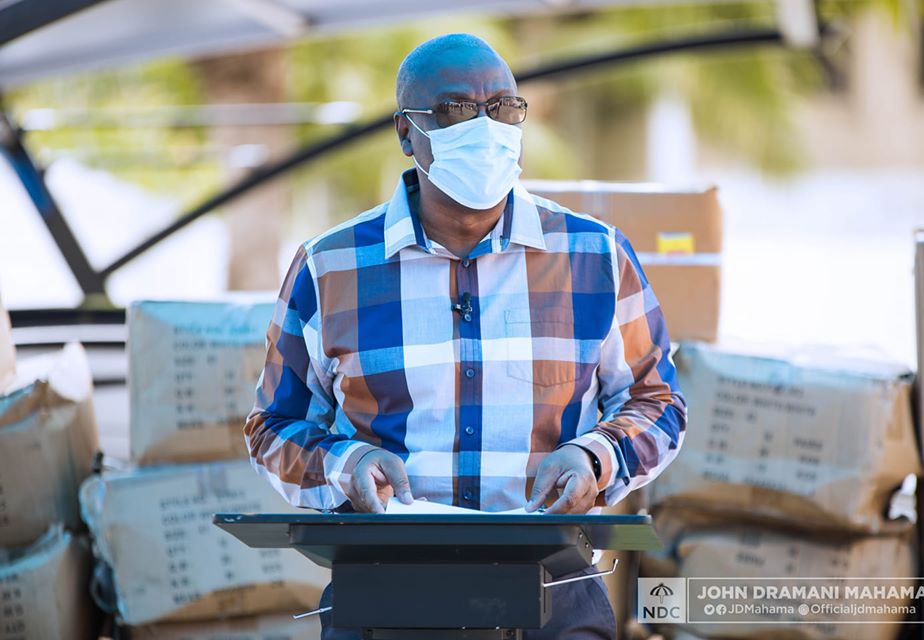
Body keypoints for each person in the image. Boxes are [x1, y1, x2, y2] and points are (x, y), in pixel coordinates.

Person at [245, 33, 686, 640]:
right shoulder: (330, 267)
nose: (486, 127)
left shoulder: (595, 255)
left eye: (503, 106)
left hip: (552, 591)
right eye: (454, 110)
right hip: (386, 592)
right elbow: (272, 425)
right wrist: (345, 464)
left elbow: (658, 402)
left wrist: (595, 457)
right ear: (407, 133)